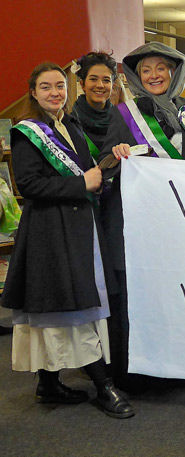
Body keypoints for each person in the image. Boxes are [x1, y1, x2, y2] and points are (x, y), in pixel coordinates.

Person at [0, 62, 133, 418]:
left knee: (60, 303)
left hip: (79, 228)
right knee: (72, 304)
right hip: (50, 231)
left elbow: (90, 172)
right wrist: (81, 185)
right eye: (46, 87)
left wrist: (113, 159)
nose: (55, 93)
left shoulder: (70, 124)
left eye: (60, 86)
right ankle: (103, 385)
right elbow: (29, 185)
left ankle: (48, 382)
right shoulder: (27, 133)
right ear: (33, 92)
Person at [100, 41, 185, 389]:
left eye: (161, 68)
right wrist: (115, 156)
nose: (154, 75)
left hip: (184, 222)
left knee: (179, 290)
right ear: (136, 76)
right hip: (143, 225)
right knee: (146, 295)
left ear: (174, 72)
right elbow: (103, 167)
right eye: (145, 70)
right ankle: (142, 374)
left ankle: (182, 365)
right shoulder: (124, 114)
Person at [71, 51, 118, 157]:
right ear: (83, 84)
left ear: (112, 85)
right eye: (93, 79)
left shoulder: (121, 119)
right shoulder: (70, 121)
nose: (100, 85)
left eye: (106, 80)